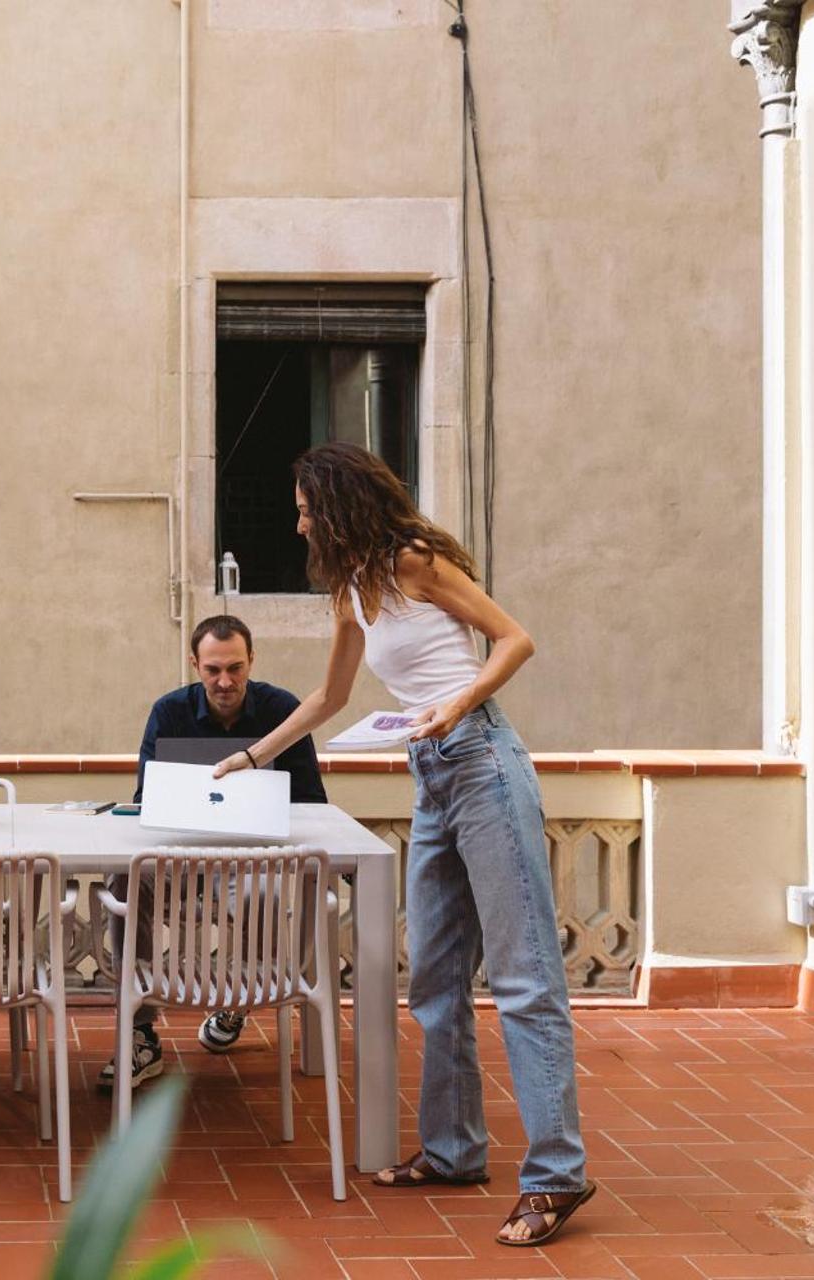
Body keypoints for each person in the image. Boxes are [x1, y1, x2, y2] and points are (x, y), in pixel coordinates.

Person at [213, 442, 594, 1247]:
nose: (298, 519)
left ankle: (557, 1175)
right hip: (433, 775)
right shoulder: (353, 590)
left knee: (524, 979)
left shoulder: (414, 561)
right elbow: (330, 696)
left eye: (307, 506)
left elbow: (515, 639)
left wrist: (456, 706)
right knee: (434, 983)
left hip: (483, 761)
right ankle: (455, 1152)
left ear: (340, 502)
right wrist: (251, 755)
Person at [99, 614, 329, 1093]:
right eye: (212, 670)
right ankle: (139, 1031)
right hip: (177, 856)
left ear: (252, 661)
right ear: (194, 665)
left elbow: (310, 798)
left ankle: (237, 1000)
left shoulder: (282, 708)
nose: (225, 681)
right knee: (124, 880)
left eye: (235, 668)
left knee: (263, 892)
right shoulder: (169, 710)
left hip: (249, 857)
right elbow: (147, 796)